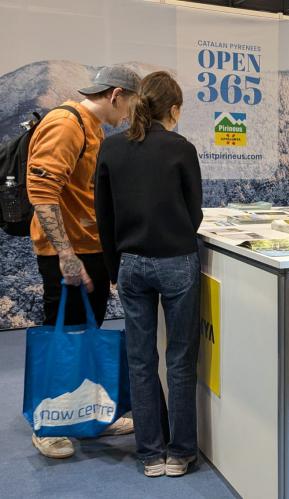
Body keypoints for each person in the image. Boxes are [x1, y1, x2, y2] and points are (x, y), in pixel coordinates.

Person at [26, 65, 140, 459]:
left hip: (88, 249)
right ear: (116, 94)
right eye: (129, 105)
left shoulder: (91, 128)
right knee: (64, 337)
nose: (127, 114)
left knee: (86, 334)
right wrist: (66, 254)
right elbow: (42, 191)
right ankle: (49, 422)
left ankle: (87, 413)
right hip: (67, 254)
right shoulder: (66, 123)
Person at [95, 71, 203, 477]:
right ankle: (180, 453)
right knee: (179, 360)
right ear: (173, 109)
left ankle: (149, 454)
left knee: (140, 360)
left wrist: (112, 267)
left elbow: (103, 217)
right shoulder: (181, 149)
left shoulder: (112, 149)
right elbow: (194, 214)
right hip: (176, 261)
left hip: (131, 264)